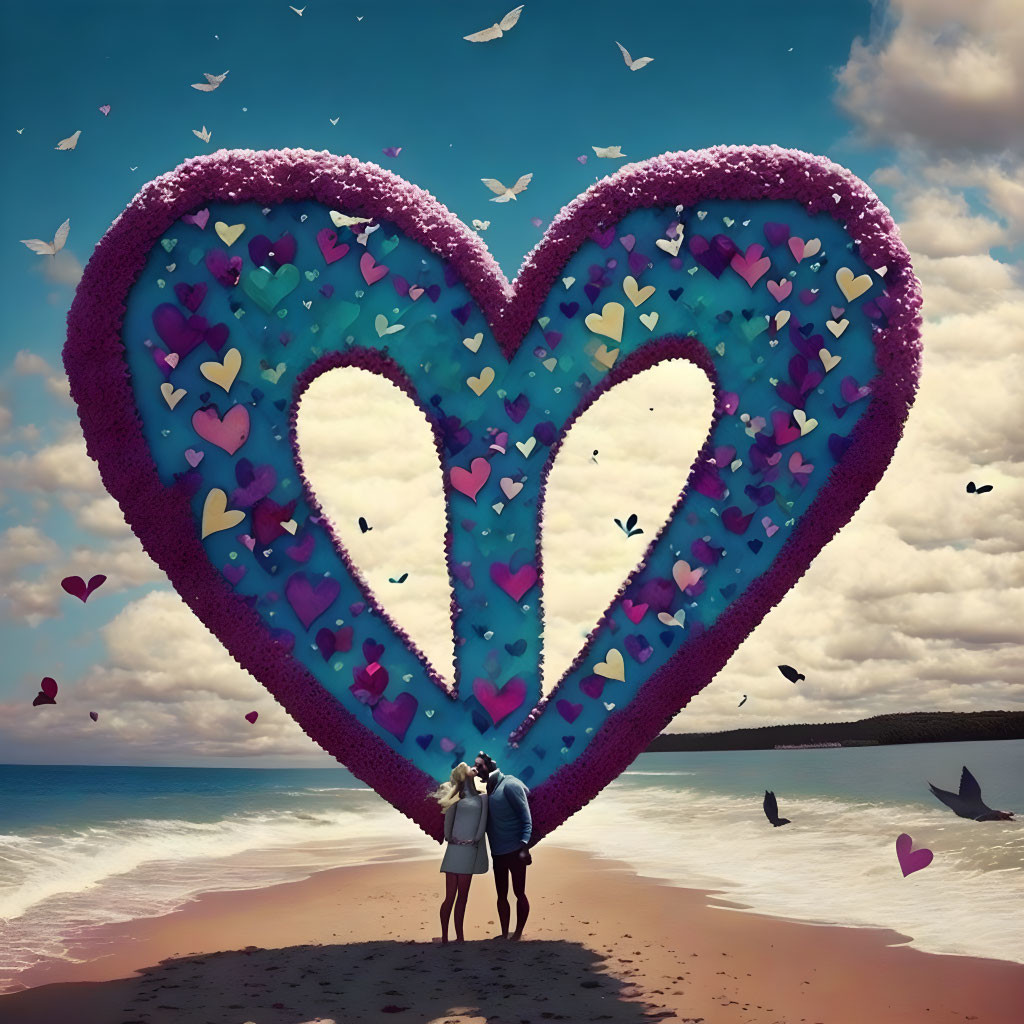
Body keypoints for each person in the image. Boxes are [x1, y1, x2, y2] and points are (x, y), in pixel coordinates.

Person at [473, 750, 532, 940]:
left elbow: (526, 819)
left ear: (490, 766)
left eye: (479, 765)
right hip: (497, 853)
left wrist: (524, 847)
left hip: (515, 851)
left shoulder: (510, 785)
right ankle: (505, 932)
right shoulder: (490, 789)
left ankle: (518, 933)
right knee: (501, 895)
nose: (477, 769)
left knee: (519, 893)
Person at [432, 762, 489, 943]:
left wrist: (475, 839)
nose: (473, 767)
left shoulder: (483, 799)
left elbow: (482, 824)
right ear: (463, 775)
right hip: (454, 850)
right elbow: (447, 829)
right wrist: (452, 839)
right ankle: (445, 936)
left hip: (469, 850)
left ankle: (460, 936)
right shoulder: (456, 799)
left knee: (462, 897)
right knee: (449, 897)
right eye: (469, 768)